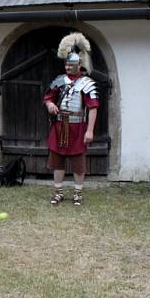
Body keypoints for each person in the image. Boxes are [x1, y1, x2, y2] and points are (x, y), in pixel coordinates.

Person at [43, 32, 99, 207]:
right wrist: (50, 105)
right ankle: (58, 192)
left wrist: (90, 131)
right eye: (66, 64)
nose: (67, 67)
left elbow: (93, 108)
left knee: (78, 163)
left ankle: (77, 194)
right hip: (59, 125)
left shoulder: (87, 83)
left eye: (71, 64)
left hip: (77, 127)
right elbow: (47, 97)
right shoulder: (59, 81)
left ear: (79, 64)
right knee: (57, 160)